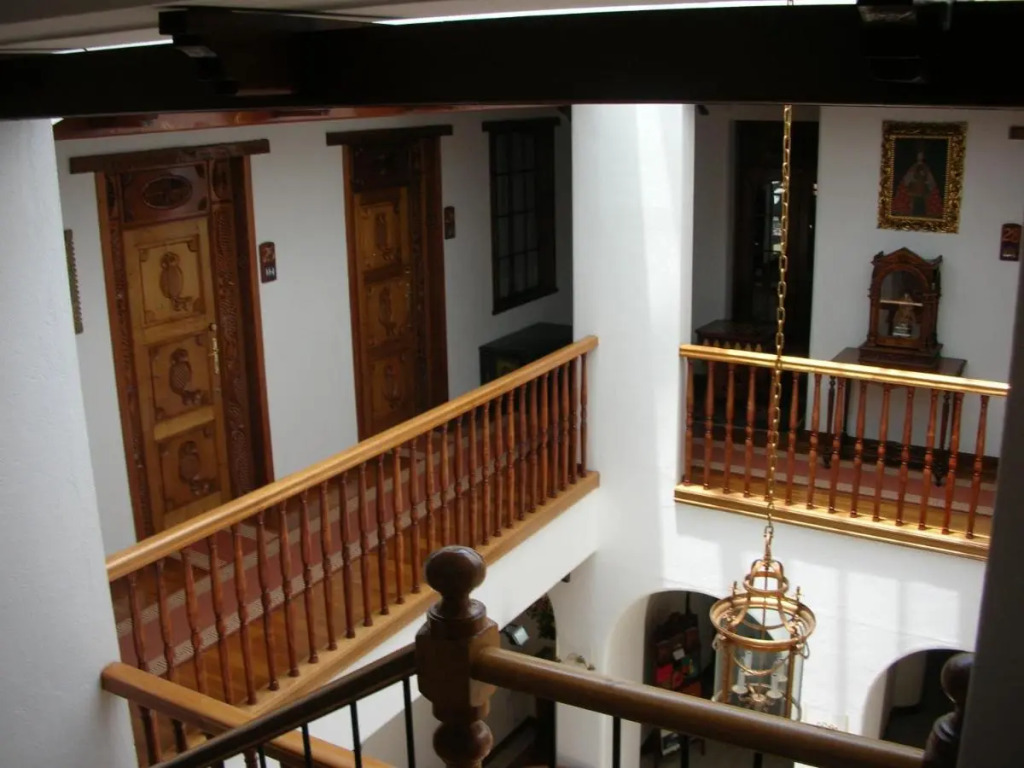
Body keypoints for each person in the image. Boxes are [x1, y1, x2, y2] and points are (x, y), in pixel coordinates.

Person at [891, 147, 943, 218]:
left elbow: (931, 182)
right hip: (913, 192)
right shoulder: (914, 168)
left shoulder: (925, 168)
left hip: (923, 193)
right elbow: (907, 180)